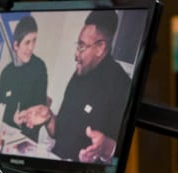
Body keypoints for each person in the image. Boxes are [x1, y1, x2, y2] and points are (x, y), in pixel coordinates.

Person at [19, 11, 132, 163]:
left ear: (100, 48)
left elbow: (125, 154)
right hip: (56, 162)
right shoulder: (79, 73)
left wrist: (106, 147)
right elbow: (60, 132)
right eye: (78, 45)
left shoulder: (122, 85)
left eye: (82, 46)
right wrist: (48, 117)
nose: (75, 54)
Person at [0, 15, 48, 142]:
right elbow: (1, 110)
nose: (31, 47)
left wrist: (26, 120)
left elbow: (41, 106)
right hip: (7, 134)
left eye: (34, 41)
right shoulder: (6, 73)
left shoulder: (39, 67)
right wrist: (14, 120)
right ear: (16, 45)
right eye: (27, 42)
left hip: (28, 136)